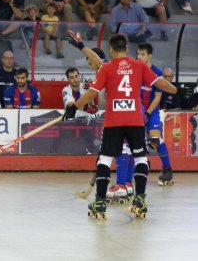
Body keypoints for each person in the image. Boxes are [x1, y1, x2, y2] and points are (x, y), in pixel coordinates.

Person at [63, 33, 177, 219]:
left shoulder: (107, 67)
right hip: (135, 119)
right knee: (140, 158)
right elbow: (161, 83)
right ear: (126, 49)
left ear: (111, 49)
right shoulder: (138, 65)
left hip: (114, 120)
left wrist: (74, 107)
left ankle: (100, 201)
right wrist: (175, 89)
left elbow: (92, 92)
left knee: (105, 160)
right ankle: (139, 198)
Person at [137, 43, 174, 186]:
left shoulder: (157, 73)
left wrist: (147, 113)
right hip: (137, 109)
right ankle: (142, 165)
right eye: (138, 54)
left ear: (149, 56)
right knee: (135, 140)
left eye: (143, 54)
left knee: (155, 137)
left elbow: (158, 98)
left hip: (151, 110)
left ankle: (167, 168)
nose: (139, 57)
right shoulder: (134, 70)